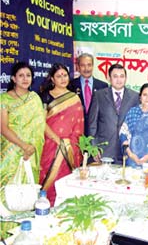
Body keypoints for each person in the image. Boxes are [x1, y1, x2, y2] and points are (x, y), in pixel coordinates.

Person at [0, 62, 46, 238]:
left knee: (27, 192)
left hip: (31, 153)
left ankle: (24, 233)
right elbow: (3, 128)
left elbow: (39, 126)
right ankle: (5, 234)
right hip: (10, 152)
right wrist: (23, 145)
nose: (25, 78)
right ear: (13, 78)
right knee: (7, 191)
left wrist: (30, 147)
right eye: (21, 75)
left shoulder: (34, 98)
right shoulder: (4, 100)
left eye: (28, 75)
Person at [39, 63, 84, 206]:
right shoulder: (45, 96)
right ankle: (45, 206)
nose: (63, 78)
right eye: (59, 76)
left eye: (65, 75)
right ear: (52, 79)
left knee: (65, 180)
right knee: (48, 176)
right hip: (50, 145)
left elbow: (79, 126)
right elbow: (41, 122)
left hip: (70, 147)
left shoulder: (74, 98)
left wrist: (70, 144)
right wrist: (58, 140)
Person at [88, 64, 139, 164]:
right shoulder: (99, 95)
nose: (119, 80)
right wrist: (94, 147)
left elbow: (137, 125)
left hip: (127, 150)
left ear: (126, 78)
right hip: (104, 150)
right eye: (115, 76)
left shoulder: (135, 97)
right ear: (108, 78)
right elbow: (92, 124)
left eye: (122, 76)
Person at [70, 53, 108, 135]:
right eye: (83, 65)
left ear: (93, 66)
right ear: (78, 67)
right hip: (76, 131)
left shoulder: (103, 86)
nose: (86, 68)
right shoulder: (70, 85)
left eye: (89, 65)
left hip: (96, 133)